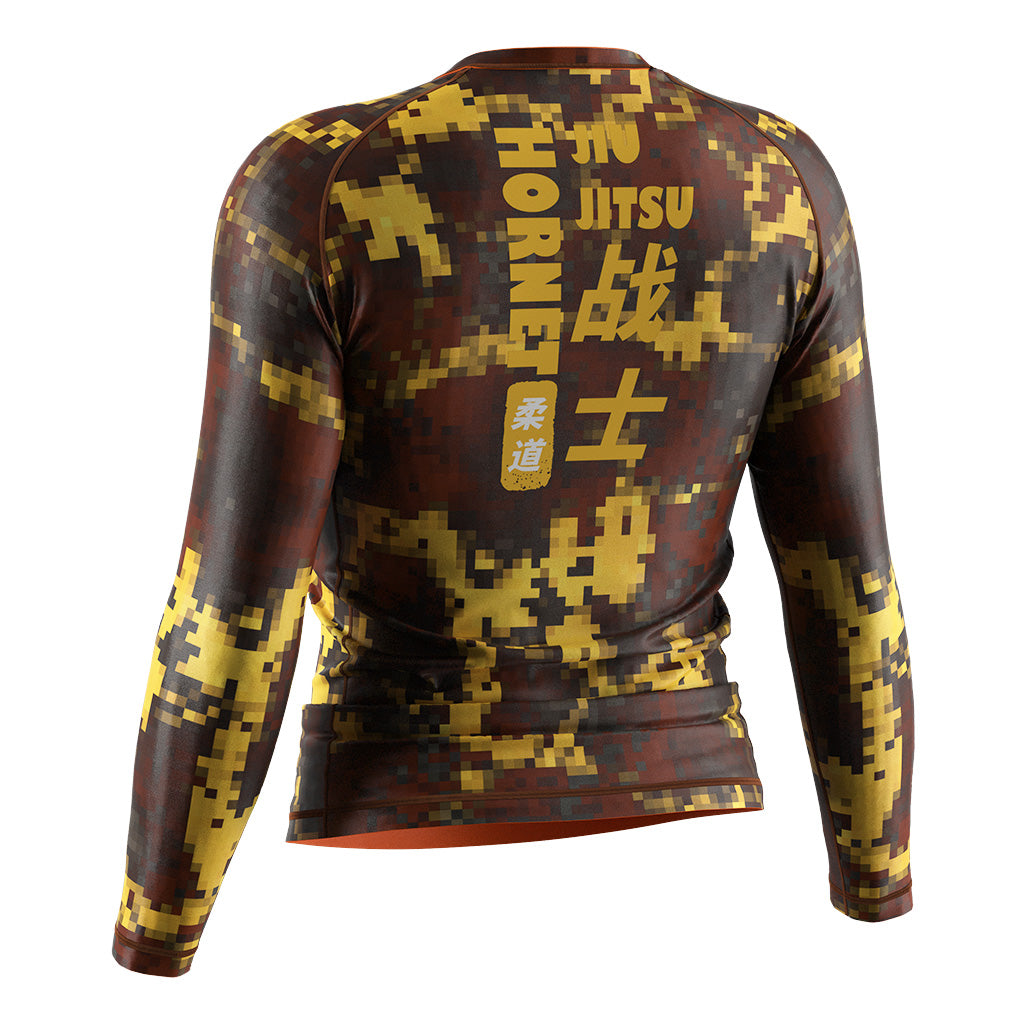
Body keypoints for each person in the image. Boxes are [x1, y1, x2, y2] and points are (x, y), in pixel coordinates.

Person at [112, 45, 915, 977]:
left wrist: (158, 926)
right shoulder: (779, 177)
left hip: (395, 845)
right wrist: (876, 876)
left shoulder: (318, 185)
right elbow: (847, 583)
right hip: (695, 845)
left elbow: (234, 607)